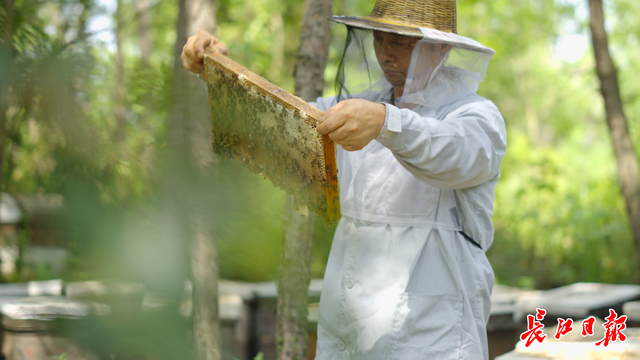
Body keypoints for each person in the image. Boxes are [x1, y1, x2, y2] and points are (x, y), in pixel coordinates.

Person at [182, 0, 506, 358]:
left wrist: (385, 123)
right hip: (348, 321)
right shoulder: (357, 106)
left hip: (433, 333)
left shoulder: (475, 116)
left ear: (441, 46)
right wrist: (216, 71)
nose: (386, 53)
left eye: (400, 42)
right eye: (380, 39)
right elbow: (279, 124)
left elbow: (454, 154)